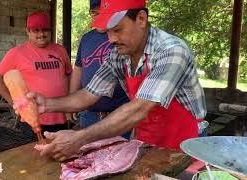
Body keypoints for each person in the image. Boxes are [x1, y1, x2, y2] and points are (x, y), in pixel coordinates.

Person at [19, 0, 207, 161]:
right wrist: (47, 104)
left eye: (117, 30)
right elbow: (87, 94)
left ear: (141, 19)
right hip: (147, 142)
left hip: (185, 145)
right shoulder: (119, 55)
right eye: (108, 31)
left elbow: (140, 108)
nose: (111, 39)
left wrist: (79, 138)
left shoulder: (171, 50)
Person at [0, 12, 72, 139]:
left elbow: (68, 76)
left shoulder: (60, 50)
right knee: (34, 155)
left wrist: (70, 106)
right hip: (32, 119)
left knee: (61, 154)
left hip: (60, 114)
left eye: (45, 30)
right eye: (36, 30)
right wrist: (14, 103)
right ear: (28, 31)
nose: (41, 34)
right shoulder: (16, 53)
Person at [69, 0, 130, 139]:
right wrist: (71, 100)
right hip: (89, 114)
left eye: (102, 12)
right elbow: (79, 69)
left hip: (119, 113)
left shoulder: (122, 39)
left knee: (119, 155)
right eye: (94, 13)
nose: (98, 17)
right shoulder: (86, 39)